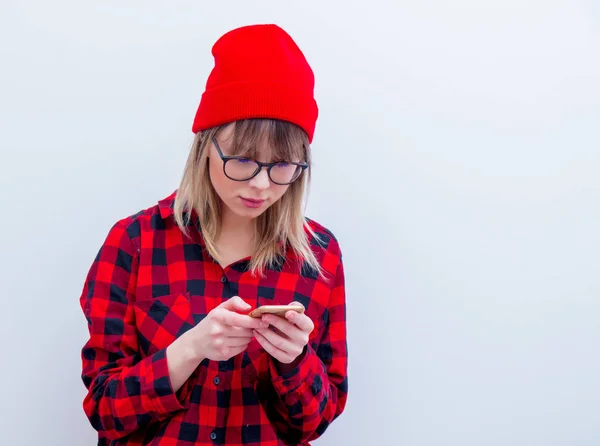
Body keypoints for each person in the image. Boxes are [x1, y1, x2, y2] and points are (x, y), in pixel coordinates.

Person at [79, 23, 348, 446]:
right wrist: (189, 349)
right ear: (206, 147)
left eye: (283, 166)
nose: (261, 185)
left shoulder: (319, 255)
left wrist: (294, 359)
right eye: (243, 160)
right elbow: (104, 411)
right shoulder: (134, 242)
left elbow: (313, 424)